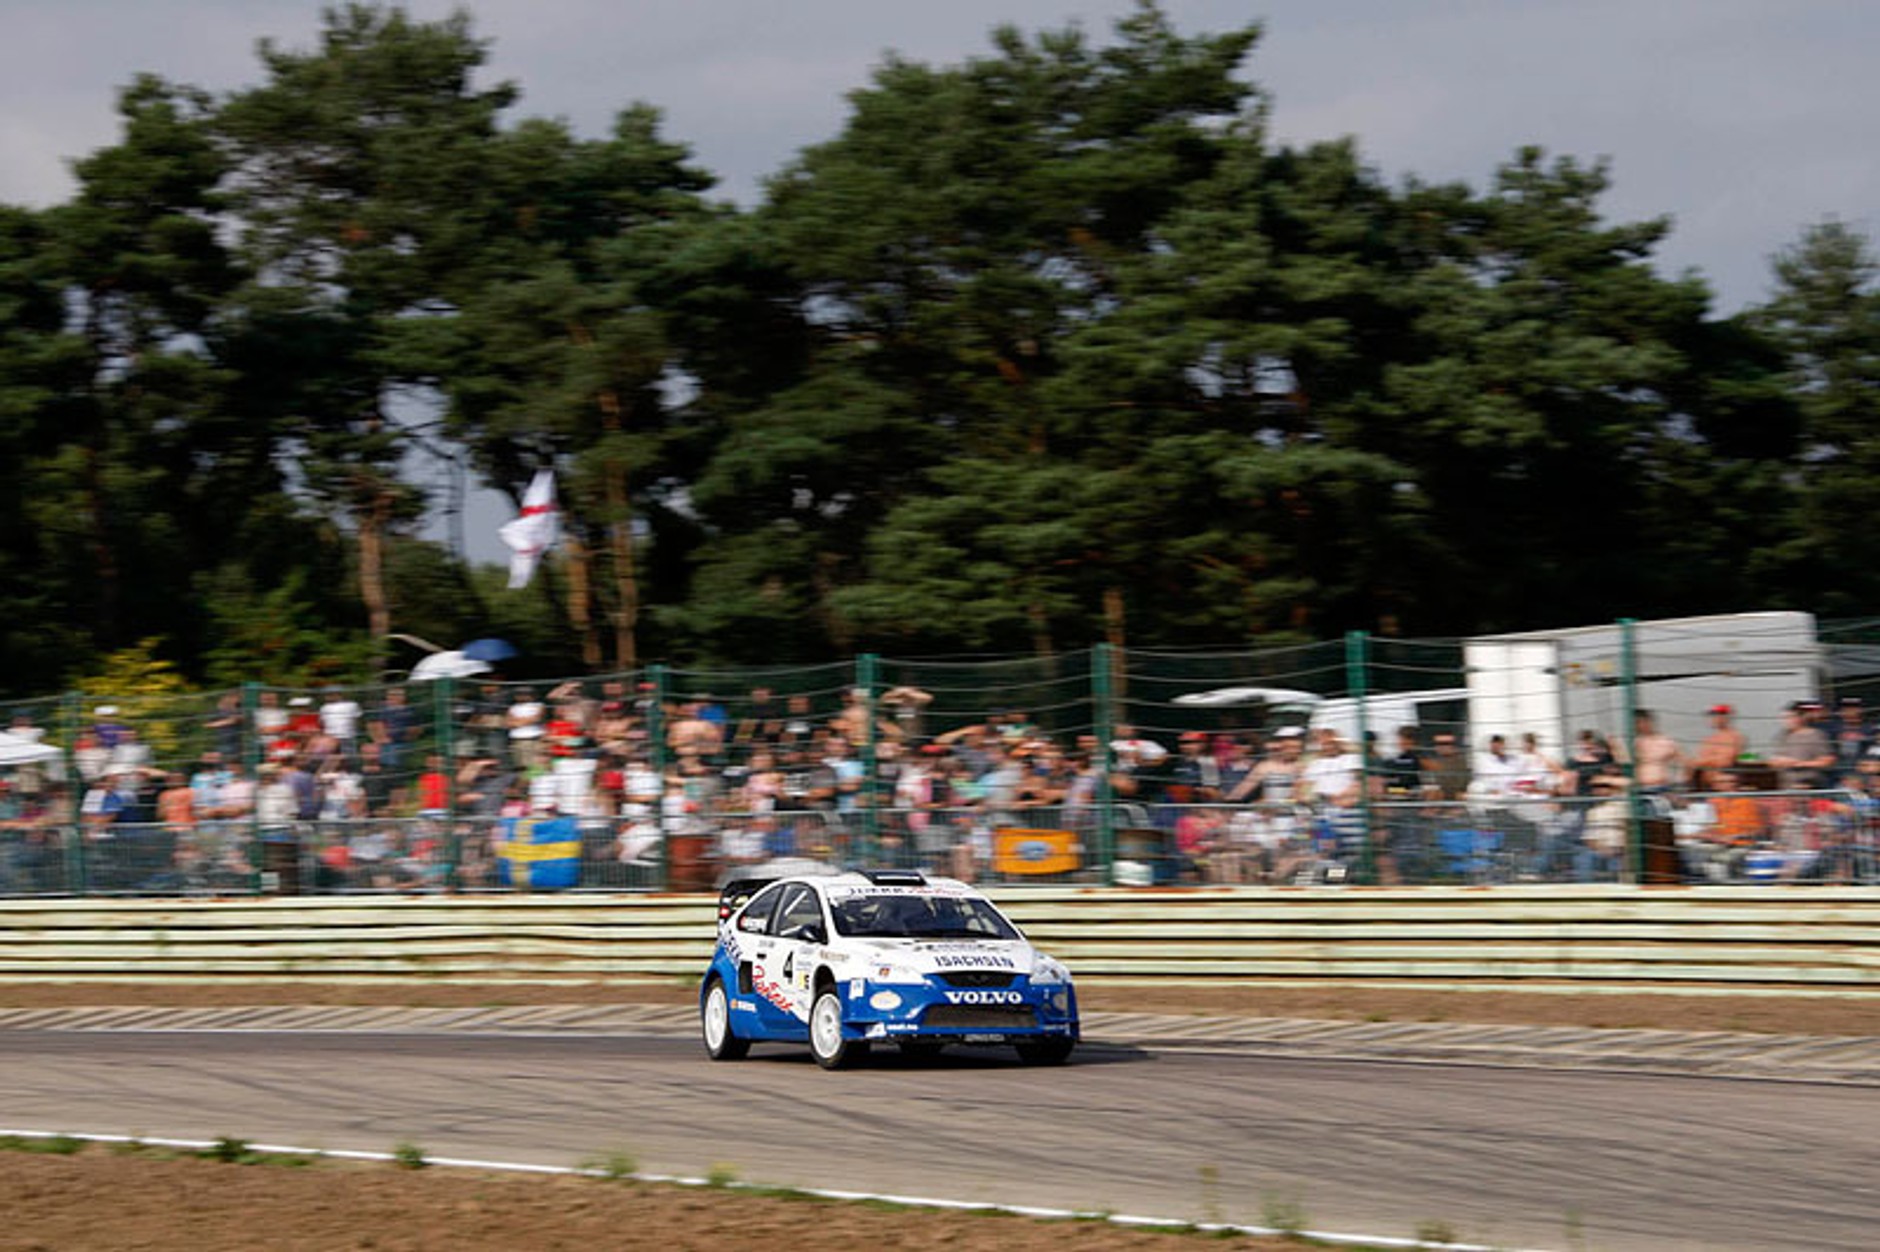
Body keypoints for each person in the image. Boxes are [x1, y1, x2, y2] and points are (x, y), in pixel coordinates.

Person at [1690, 704, 1746, 792]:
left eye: (1716, 715)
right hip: (1704, 783)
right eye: (1713, 716)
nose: (1713, 719)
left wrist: (1701, 762)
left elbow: (1725, 761)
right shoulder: (1711, 738)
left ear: (1726, 717)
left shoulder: (1733, 736)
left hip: (1721, 783)